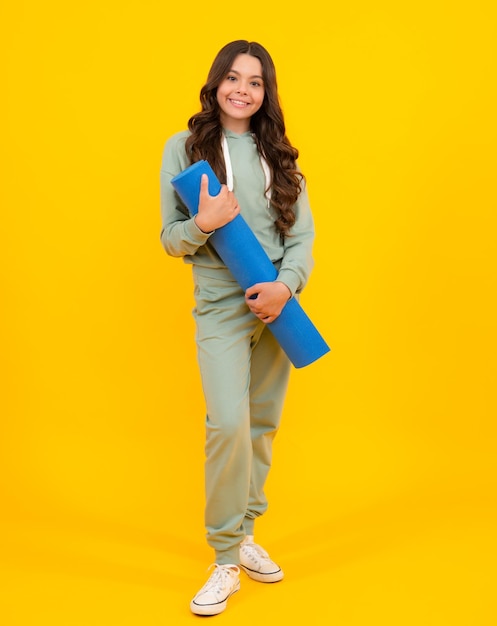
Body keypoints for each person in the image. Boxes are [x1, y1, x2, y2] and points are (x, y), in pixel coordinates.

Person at [159, 40, 315, 616]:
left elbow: (301, 239)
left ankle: (247, 535)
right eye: (232, 77)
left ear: (265, 91)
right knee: (227, 422)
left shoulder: (280, 157)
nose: (241, 89)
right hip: (221, 305)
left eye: (254, 81)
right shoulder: (185, 148)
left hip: (275, 303)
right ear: (216, 82)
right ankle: (224, 557)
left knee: (262, 424)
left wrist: (286, 285)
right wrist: (202, 223)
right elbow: (170, 239)